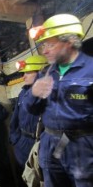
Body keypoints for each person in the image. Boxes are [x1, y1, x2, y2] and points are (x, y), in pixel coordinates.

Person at [24, 13, 93, 186]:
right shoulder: (47, 72)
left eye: (50, 45)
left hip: (82, 146)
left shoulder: (90, 70)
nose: (44, 50)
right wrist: (33, 93)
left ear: (69, 42)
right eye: (44, 45)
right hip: (50, 143)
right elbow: (31, 109)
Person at [9, 55, 48, 186]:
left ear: (40, 72)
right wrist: (15, 140)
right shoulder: (23, 93)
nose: (23, 76)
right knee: (27, 178)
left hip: (39, 144)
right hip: (22, 144)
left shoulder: (48, 92)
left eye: (27, 72)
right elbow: (14, 119)